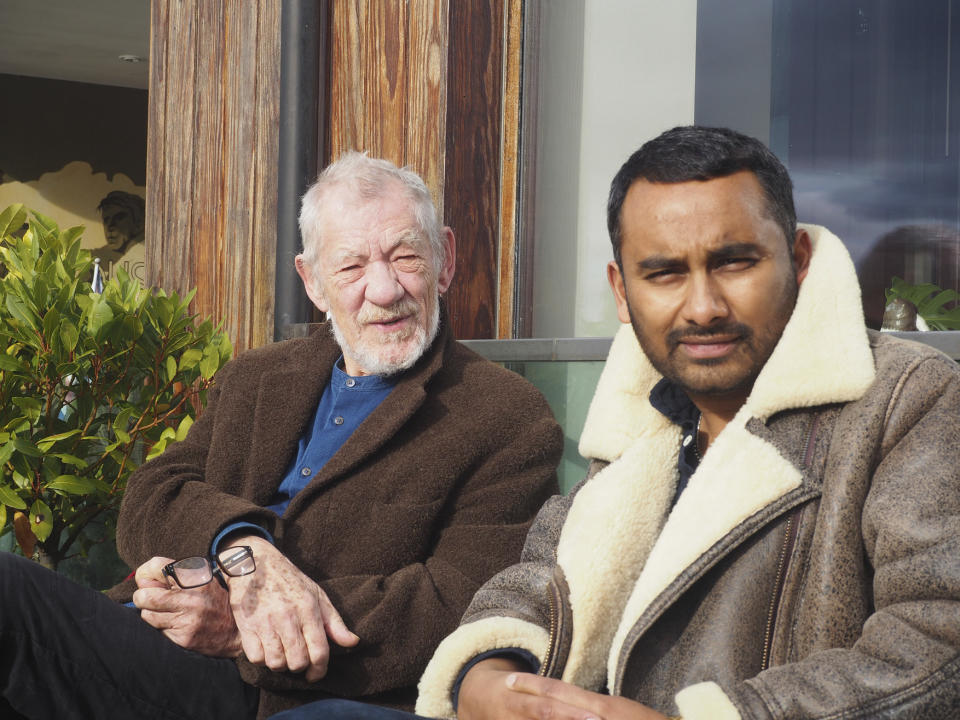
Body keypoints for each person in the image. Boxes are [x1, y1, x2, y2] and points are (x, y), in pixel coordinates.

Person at [413, 126, 960, 718]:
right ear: (622, 292)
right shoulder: (645, 417)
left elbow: (937, 637)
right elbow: (548, 579)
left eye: (735, 262)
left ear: (798, 261)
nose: (703, 308)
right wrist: (488, 674)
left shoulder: (908, 398)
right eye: (665, 273)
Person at [0, 152, 562, 719]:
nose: (385, 289)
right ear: (312, 282)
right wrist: (243, 547)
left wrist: (243, 628)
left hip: (278, 692)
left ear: (445, 260)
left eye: (406, 256)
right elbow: (153, 491)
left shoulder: (506, 416)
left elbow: (452, 604)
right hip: (151, 637)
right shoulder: (258, 375)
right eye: (351, 268)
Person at [93, 190, 145, 266]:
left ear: (138, 224)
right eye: (106, 220)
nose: (110, 226)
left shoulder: (146, 254)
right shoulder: (94, 258)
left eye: (119, 218)